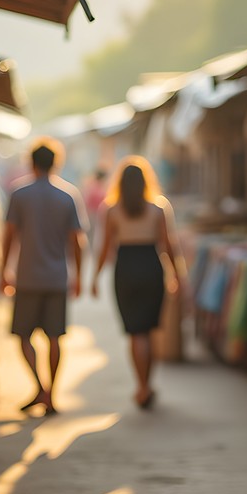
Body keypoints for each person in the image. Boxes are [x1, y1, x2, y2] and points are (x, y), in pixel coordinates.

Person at [0, 138, 88, 416]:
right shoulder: (68, 195)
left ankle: (39, 387)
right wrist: (78, 275)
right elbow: (78, 241)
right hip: (56, 277)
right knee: (54, 337)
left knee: (23, 335)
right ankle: (50, 393)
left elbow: (9, 236)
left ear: (31, 162)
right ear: (56, 163)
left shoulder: (19, 194)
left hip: (26, 277)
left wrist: (5, 269)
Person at [90, 156, 184, 410]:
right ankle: (148, 384)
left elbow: (105, 247)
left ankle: (141, 386)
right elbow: (169, 245)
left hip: (126, 269)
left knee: (135, 332)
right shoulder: (158, 208)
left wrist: (95, 277)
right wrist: (178, 275)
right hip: (151, 268)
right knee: (150, 330)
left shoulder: (111, 210)